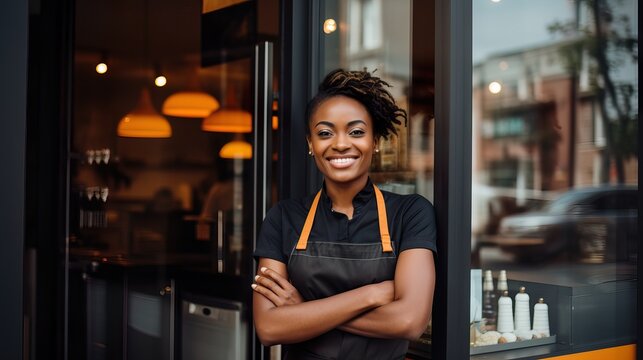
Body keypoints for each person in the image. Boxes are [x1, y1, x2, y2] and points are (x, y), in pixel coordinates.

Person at [252, 69, 436, 359]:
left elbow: (409, 321)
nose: (340, 143)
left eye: (356, 132)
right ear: (311, 144)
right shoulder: (283, 217)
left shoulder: (410, 213)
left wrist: (303, 311)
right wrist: (371, 295)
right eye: (325, 133)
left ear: (375, 141)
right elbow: (269, 328)